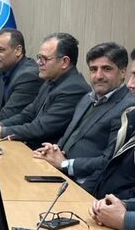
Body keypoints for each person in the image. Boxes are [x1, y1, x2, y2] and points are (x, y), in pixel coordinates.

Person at [33, 43, 134, 192]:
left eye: (107, 69)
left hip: (86, 185)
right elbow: (71, 136)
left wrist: (66, 164)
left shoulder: (128, 108)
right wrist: (55, 149)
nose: (98, 76)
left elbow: (108, 162)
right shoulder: (87, 98)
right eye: (93, 69)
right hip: (60, 174)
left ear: (123, 72)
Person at [0, 33, 90, 149]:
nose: (38, 62)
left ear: (65, 62)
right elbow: (28, 115)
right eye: (39, 57)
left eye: (44, 59)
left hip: (46, 152)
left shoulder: (73, 89)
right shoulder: (51, 80)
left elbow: (41, 127)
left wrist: (3, 131)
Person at [90, 49, 135, 202]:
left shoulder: (125, 110)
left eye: (107, 69)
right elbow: (107, 170)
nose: (130, 84)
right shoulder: (131, 117)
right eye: (132, 75)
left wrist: (124, 210)